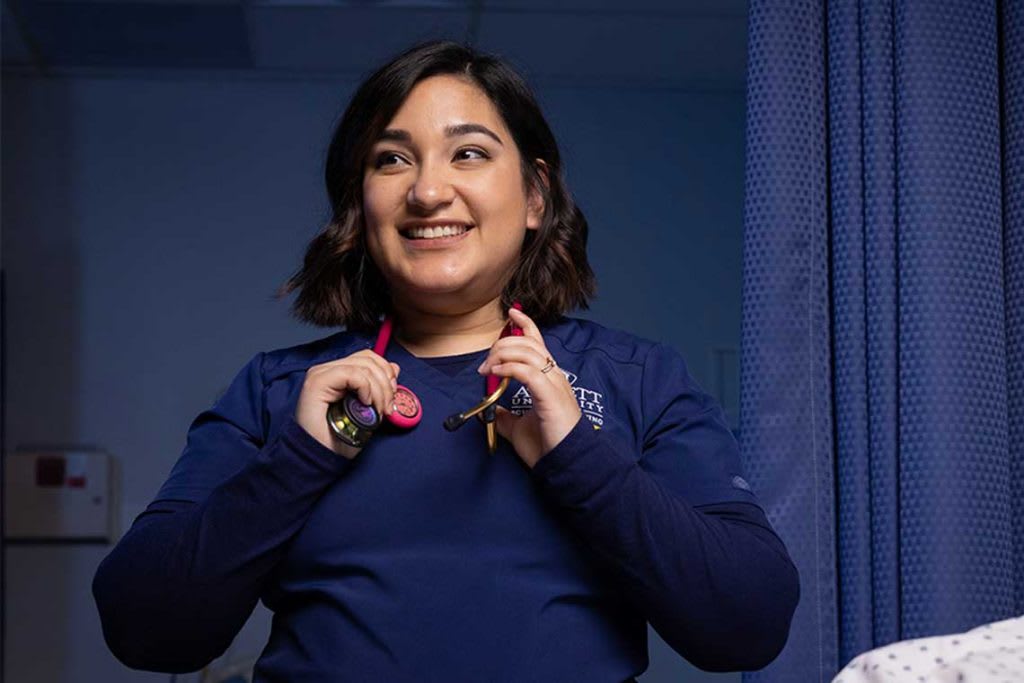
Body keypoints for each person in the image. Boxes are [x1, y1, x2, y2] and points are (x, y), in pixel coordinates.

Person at [92, 40, 799, 682]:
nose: (427, 191)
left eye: (468, 153)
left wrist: (576, 452)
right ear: (359, 206)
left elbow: (747, 625)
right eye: (391, 158)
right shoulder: (276, 392)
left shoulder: (639, 379)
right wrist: (301, 457)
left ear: (533, 195)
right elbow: (145, 629)